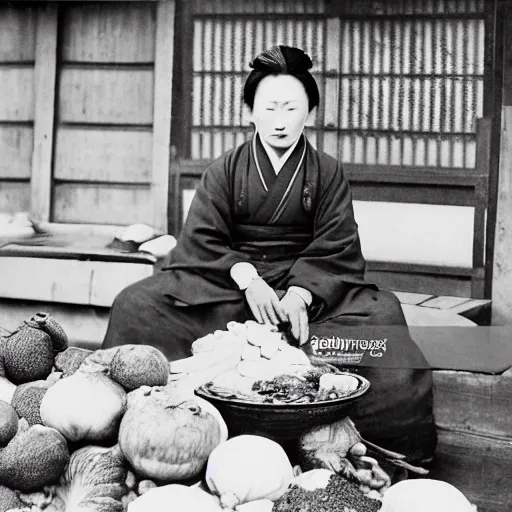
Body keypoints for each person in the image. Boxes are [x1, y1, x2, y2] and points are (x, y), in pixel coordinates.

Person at [103, 45, 436, 468]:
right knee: (136, 304)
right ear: (249, 112)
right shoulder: (224, 170)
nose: (280, 121)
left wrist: (301, 292)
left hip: (307, 292)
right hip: (234, 287)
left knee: (383, 317)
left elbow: (338, 244)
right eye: (270, 107)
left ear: (310, 114)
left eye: (292, 108)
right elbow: (201, 240)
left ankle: (383, 451)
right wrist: (245, 276)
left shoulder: (328, 172)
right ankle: (132, 428)